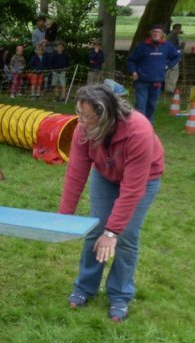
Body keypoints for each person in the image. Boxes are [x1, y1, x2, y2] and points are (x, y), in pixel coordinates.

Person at [60, 84, 164, 322]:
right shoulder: (83, 129)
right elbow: (76, 171)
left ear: (106, 116)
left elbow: (132, 188)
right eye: (79, 113)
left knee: (125, 236)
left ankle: (119, 295)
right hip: (105, 174)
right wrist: (64, 214)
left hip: (143, 180)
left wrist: (113, 231)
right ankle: (84, 287)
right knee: (95, 229)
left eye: (88, 117)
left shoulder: (139, 131)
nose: (81, 121)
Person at [127, 24, 180, 124]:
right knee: (140, 105)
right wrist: (133, 71)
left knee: (151, 105)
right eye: (154, 32)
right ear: (150, 34)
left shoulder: (167, 46)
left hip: (157, 81)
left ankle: (148, 124)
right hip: (141, 80)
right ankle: (139, 125)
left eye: (158, 32)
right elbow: (131, 60)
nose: (156, 34)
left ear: (162, 34)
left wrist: (168, 65)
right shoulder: (142, 46)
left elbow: (176, 56)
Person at [165, 23, 185, 94]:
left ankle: (169, 89)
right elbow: (171, 48)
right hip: (172, 58)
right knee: (172, 73)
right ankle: (169, 89)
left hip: (173, 57)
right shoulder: (171, 37)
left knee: (171, 73)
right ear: (174, 29)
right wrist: (180, 47)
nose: (178, 30)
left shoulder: (175, 36)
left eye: (179, 29)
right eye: (177, 29)